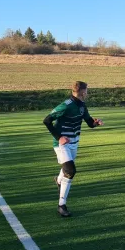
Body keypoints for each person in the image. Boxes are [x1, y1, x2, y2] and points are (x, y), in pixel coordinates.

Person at [43, 81, 103, 217]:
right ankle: (61, 205)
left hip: (74, 143)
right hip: (62, 144)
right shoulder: (66, 105)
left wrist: (96, 123)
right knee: (70, 171)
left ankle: (59, 181)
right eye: (86, 90)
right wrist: (59, 137)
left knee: (66, 170)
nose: (87, 93)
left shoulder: (82, 106)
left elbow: (89, 123)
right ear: (82, 92)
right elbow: (46, 120)